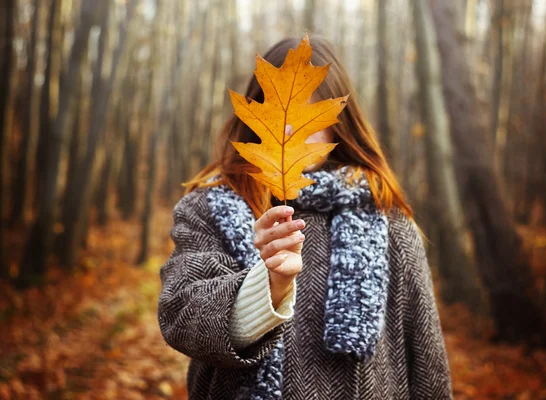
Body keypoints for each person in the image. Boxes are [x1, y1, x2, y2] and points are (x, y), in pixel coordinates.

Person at [157, 36, 452, 400]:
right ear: (251, 121)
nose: (287, 133)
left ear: (339, 124)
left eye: (308, 119)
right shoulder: (208, 207)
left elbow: (427, 362)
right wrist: (268, 286)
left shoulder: (386, 216)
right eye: (272, 117)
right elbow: (181, 315)